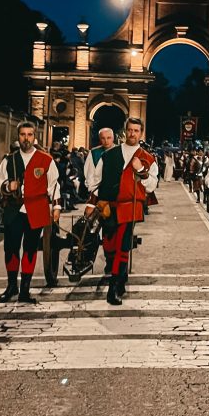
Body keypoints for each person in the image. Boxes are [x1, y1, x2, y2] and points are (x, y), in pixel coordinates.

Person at [90, 117, 158, 305]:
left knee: (122, 245)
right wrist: (93, 203)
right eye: (130, 130)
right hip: (108, 207)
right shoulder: (109, 154)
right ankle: (117, 273)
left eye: (136, 131)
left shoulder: (148, 158)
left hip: (130, 206)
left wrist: (142, 170)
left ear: (141, 133)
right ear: (124, 131)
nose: (132, 134)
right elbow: (95, 181)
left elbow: (152, 185)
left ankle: (115, 287)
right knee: (109, 244)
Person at [0, 120, 60, 304]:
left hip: (36, 209)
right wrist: (8, 185)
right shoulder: (9, 160)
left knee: (30, 249)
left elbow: (54, 186)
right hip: (14, 210)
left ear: (34, 137)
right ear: (18, 137)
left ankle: (25, 290)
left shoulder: (46, 159)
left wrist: (56, 207)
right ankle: (11, 286)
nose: (26, 138)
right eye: (23, 135)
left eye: (30, 135)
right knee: (11, 249)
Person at [82, 127, 117, 274]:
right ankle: (85, 253)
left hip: (114, 196)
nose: (106, 141)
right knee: (89, 224)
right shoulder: (94, 153)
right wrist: (93, 195)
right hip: (97, 195)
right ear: (99, 139)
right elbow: (90, 175)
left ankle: (110, 261)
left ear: (113, 138)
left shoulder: (120, 151)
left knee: (110, 231)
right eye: (103, 138)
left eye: (109, 138)